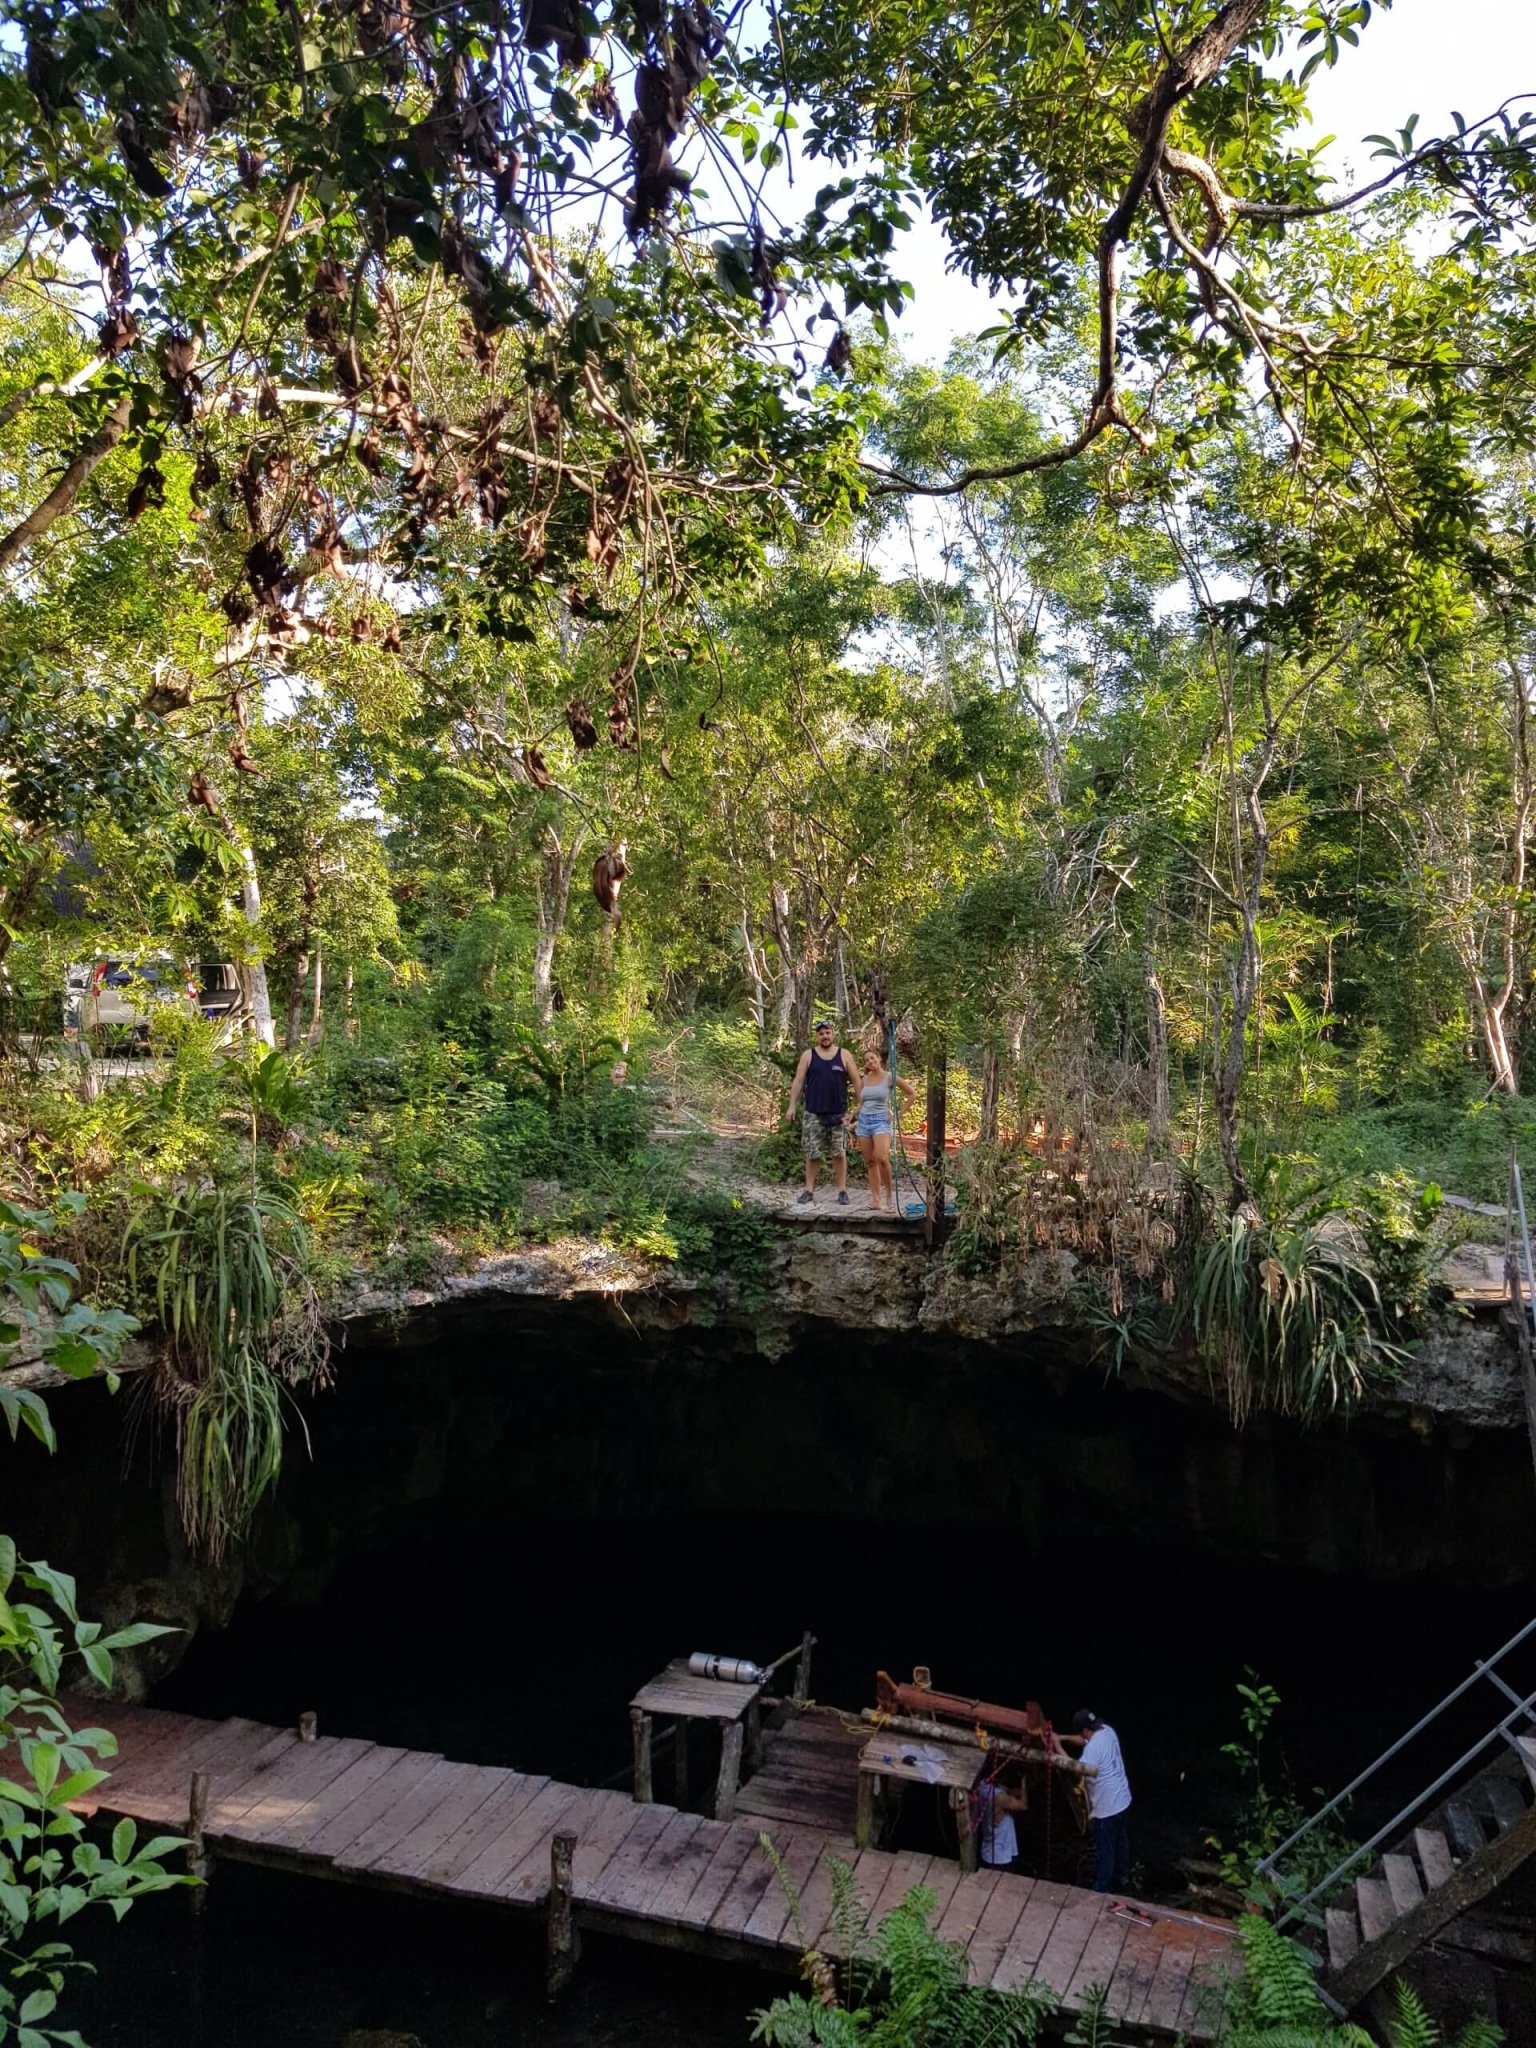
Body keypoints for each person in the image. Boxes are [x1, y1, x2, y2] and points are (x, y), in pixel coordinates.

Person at [785, 1018, 861, 1204]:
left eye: (827, 1033)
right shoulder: (808, 1055)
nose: (825, 1036)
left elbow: (856, 1080)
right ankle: (809, 1190)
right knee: (812, 1153)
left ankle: (842, 1191)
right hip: (814, 1112)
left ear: (833, 1034)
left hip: (839, 1114)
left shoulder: (844, 1055)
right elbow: (798, 1080)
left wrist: (860, 1106)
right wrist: (792, 1105)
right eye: (821, 1033)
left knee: (839, 1153)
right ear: (817, 1036)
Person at [1066, 1710, 1133, 1895]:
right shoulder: (1107, 1730)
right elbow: (1084, 1740)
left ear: (1084, 1731)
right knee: (1120, 1845)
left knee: (1106, 1852)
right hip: (1122, 1800)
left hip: (1107, 1808)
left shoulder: (1092, 1750)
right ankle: (1122, 1881)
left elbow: (1076, 1769)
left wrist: (1057, 1747)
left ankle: (1101, 1891)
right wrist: (1061, 1737)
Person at [852, 1046, 917, 1213]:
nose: (870, 1062)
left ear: (879, 1058)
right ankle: (875, 1199)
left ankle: (889, 1197)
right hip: (864, 1122)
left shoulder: (889, 1077)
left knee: (882, 1157)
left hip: (881, 1121)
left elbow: (912, 1094)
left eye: (872, 1058)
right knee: (870, 1161)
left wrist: (898, 1114)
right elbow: (861, 1103)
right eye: (867, 1060)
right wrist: (850, 1116)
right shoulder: (864, 1080)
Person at [975, 1769, 1029, 1871]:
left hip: (987, 1852)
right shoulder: (999, 1797)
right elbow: (1023, 1805)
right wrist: (1023, 1780)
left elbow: (1010, 1791)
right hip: (1000, 1856)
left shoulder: (981, 1787)